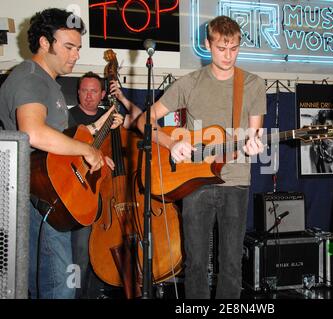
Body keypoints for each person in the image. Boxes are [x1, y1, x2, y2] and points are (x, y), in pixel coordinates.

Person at [135, 15, 266, 299]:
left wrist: (253, 145)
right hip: (194, 181)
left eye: (233, 48)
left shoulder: (253, 84)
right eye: (221, 48)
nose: (228, 55)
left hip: (235, 180)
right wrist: (170, 143)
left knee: (231, 264)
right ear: (207, 44)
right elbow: (145, 121)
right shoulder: (190, 83)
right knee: (195, 263)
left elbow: (254, 135)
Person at [0, 8, 119, 299]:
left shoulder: (49, 84)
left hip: (50, 196)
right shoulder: (31, 78)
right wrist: (87, 150)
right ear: (44, 42)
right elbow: (35, 133)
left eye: (78, 48)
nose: (76, 55)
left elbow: (60, 145)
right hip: (34, 198)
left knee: (49, 284)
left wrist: (96, 140)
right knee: (60, 287)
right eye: (68, 47)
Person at [69, 71, 125, 299]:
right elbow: (70, 151)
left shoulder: (110, 116)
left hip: (108, 196)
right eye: (84, 91)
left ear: (103, 94)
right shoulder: (70, 118)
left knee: (103, 250)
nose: (89, 96)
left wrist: (120, 126)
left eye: (94, 91)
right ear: (78, 93)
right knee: (80, 252)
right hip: (81, 195)